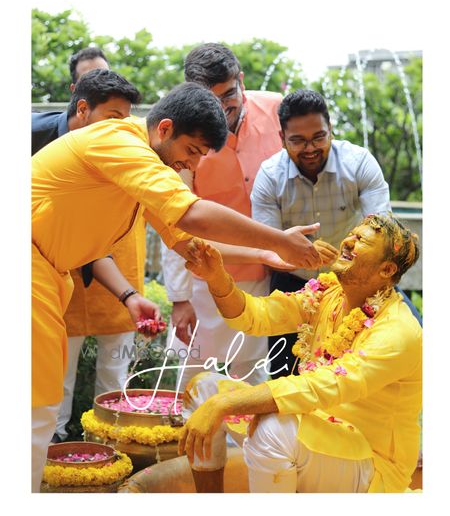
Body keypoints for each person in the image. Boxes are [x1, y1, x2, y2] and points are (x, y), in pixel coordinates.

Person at [32, 81, 322, 492]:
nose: (192, 165)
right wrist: (278, 240)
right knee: (35, 410)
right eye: (191, 151)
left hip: (46, 275)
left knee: (35, 408)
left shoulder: (145, 163)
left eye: (200, 157)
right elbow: (191, 215)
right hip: (28, 267)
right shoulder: (121, 142)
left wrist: (263, 254)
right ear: (165, 128)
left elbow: (187, 241)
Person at [178, 213, 422, 493]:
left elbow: (324, 385)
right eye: (352, 234)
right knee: (203, 389)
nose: (348, 242)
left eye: (362, 240)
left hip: (371, 465)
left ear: (387, 270)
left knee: (272, 429)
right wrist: (216, 278)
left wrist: (225, 404)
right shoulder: (327, 295)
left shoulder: (398, 330)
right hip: (311, 436)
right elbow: (256, 316)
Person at [250, 88, 420, 377]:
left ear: (330, 129)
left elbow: (383, 230)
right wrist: (298, 253)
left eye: (318, 137)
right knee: (284, 376)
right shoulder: (269, 176)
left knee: (416, 337)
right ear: (282, 138)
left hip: (359, 281)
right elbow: (268, 248)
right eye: (298, 141)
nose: (310, 148)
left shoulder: (359, 162)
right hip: (294, 280)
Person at [33, 68, 161, 444]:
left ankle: (104, 449)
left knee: (110, 376)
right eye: (113, 118)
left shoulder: (125, 151)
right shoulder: (32, 135)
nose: (121, 129)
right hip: (40, 270)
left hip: (98, 264)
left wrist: (129, 295)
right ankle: (51, 446)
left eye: (126, 120)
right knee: (45, 386)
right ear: (82, 107)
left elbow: (92, 241)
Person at [161, 43, 283, 389]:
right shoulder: (183, 134)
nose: (222, 106)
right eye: (210, 99)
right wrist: (180, 298)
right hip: (205, 274)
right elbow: (173, 216)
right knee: (193, 378)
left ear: (241, 81)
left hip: (265, 275)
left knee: (253, 378)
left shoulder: (277, 110)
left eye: (229, 94)